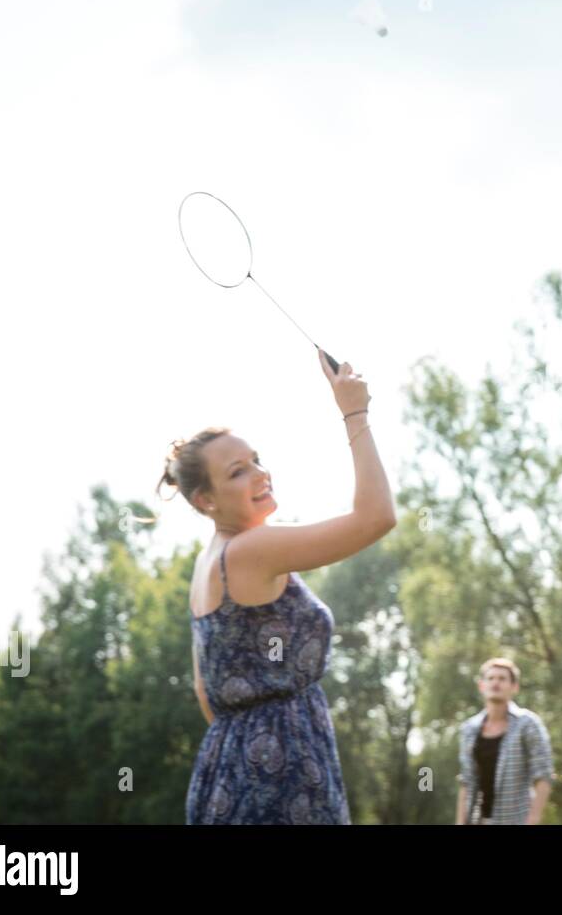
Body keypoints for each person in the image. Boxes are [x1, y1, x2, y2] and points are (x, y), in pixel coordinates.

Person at [157, 348, 396, 824]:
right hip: (285, 779)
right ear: (205, 500)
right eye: (237, 471)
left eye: (256, 460)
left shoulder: (209, 565)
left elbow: (207, 693)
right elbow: (377, 518)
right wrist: (355, 413)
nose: (260, 474)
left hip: (226, 769)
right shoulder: (251, 550)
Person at [456, 658, 554, 825]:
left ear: (514, 687)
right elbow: (467, 780)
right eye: (491, 678)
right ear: (482, 685)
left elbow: (543, 775)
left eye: (502, 679)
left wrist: (533, 819)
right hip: (478, 820)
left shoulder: (527, 724)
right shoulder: (469, 729)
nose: (496, 683)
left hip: (516, 820)